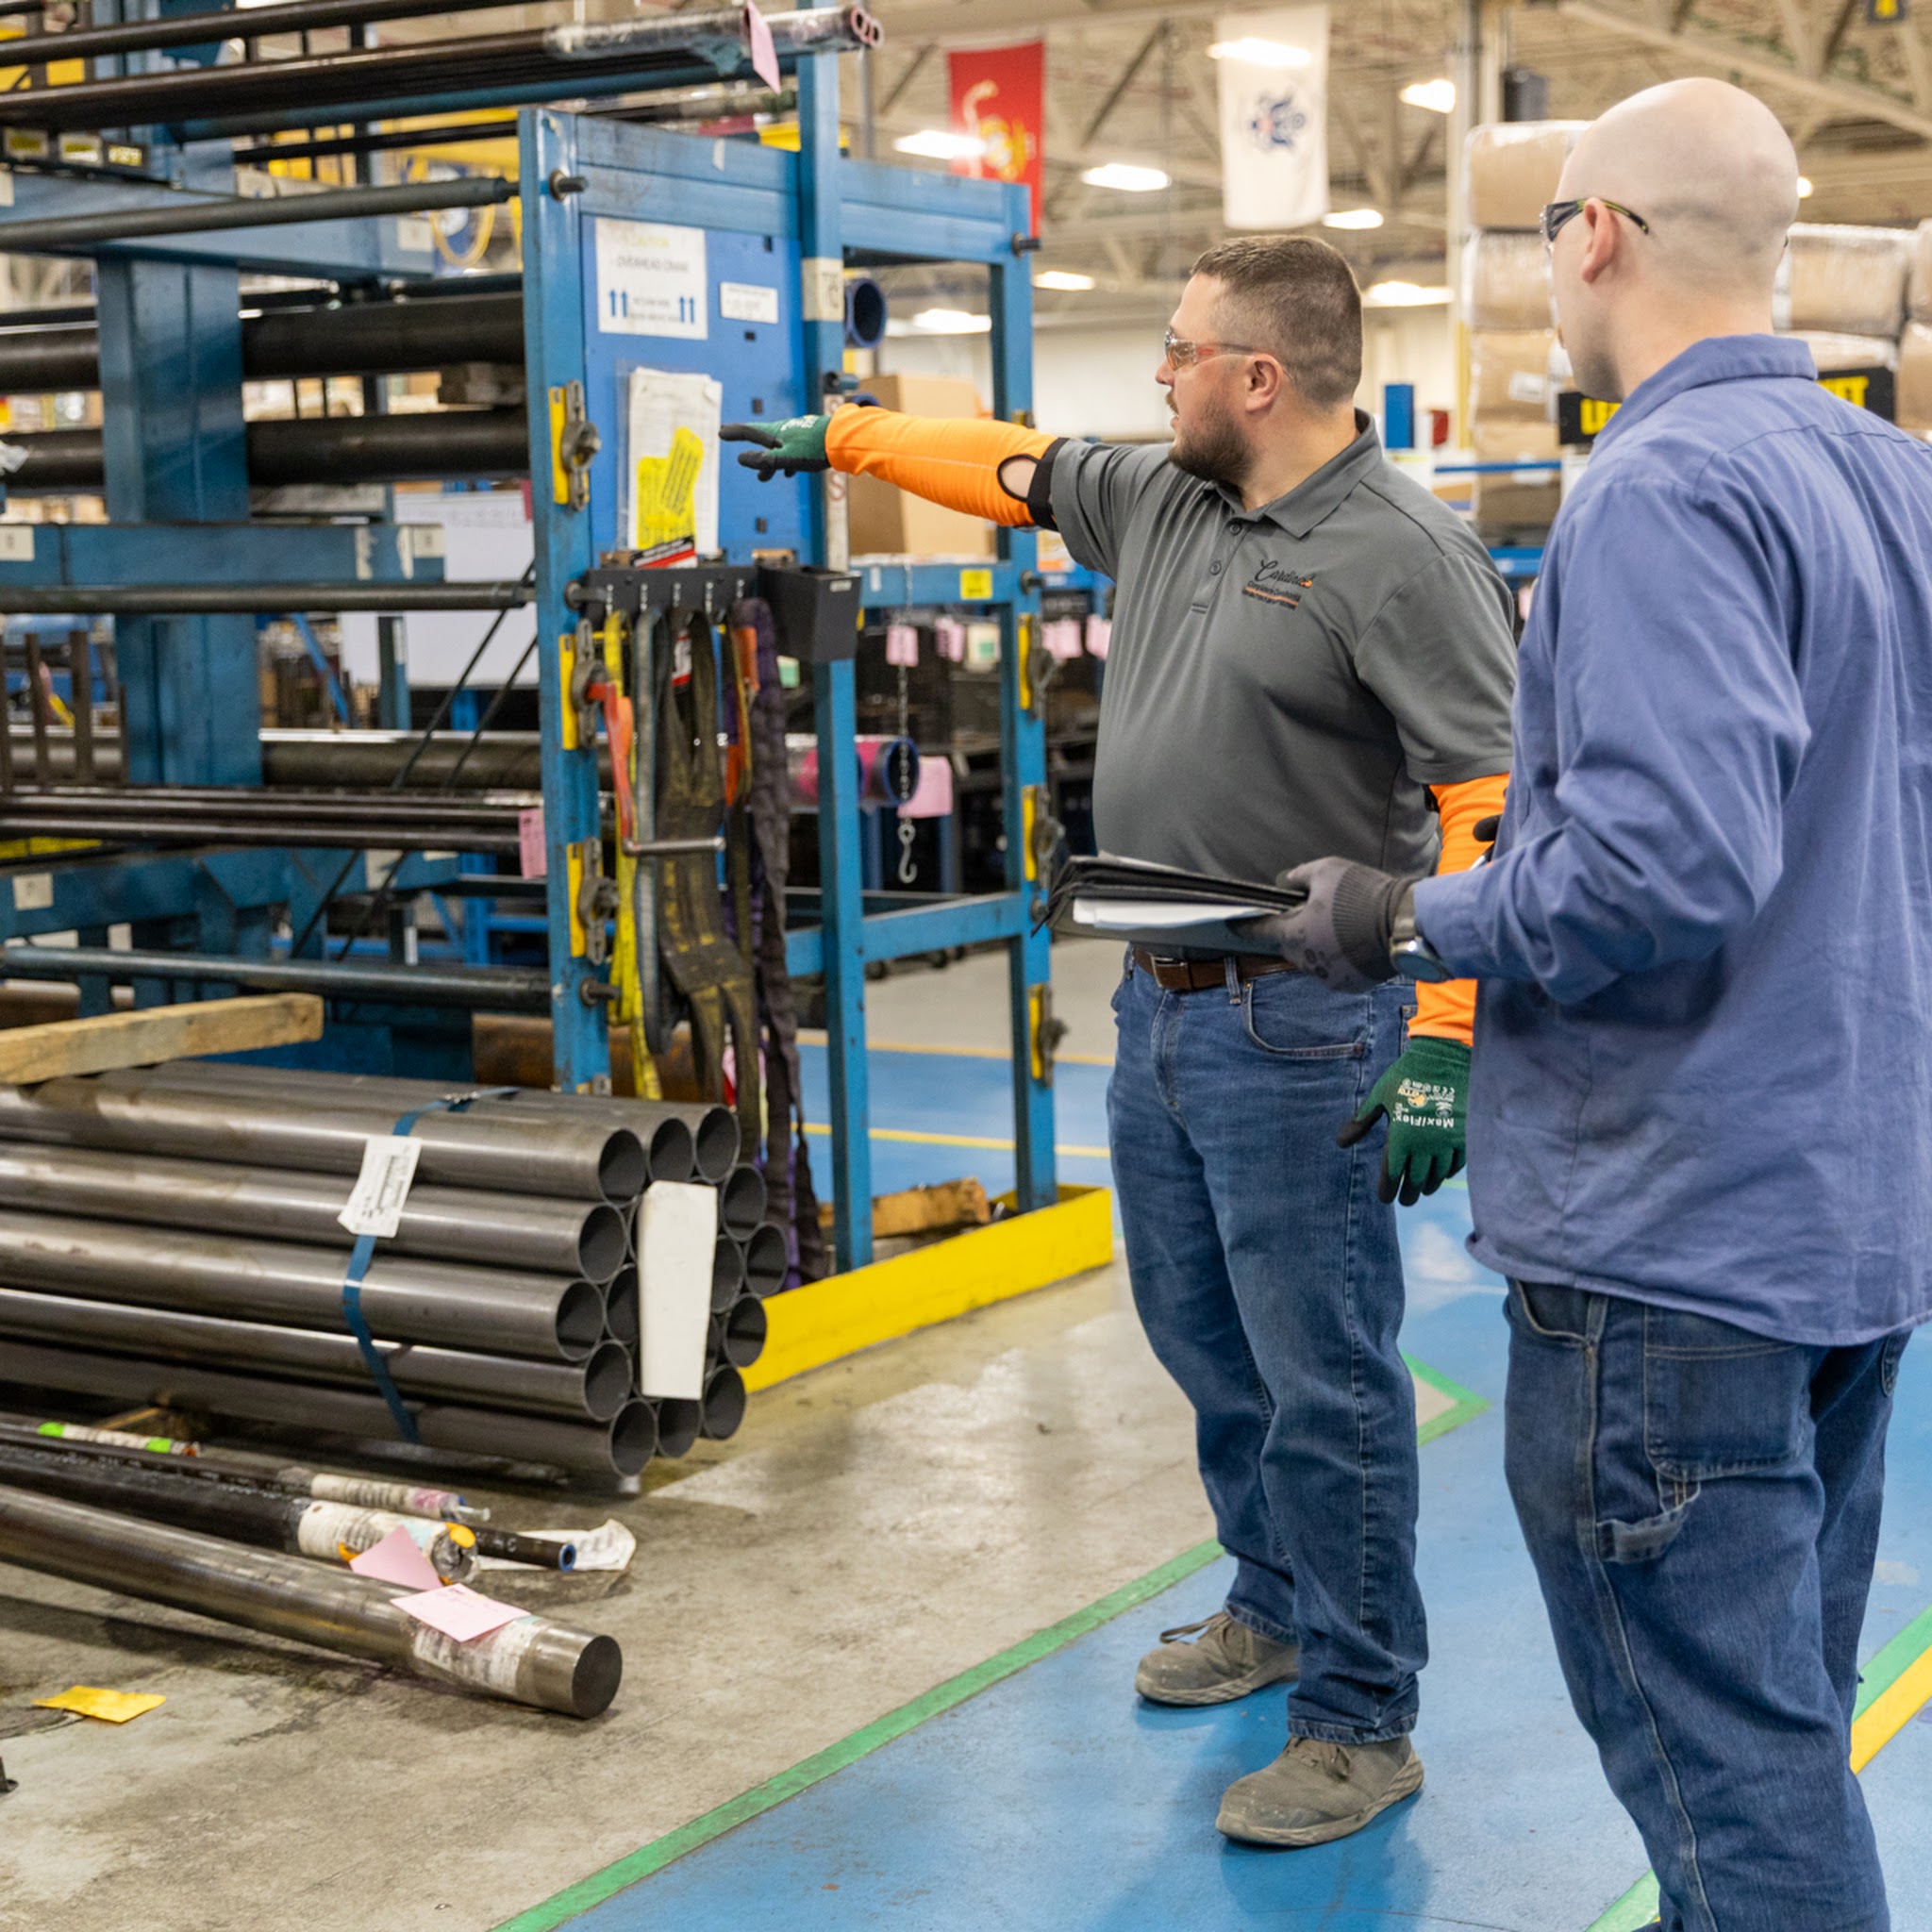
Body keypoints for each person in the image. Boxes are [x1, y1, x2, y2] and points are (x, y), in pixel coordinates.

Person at [725, 235, 1517, 1848]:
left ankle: (1361, 1719)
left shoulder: (1406, 557)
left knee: (1328, 1383)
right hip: (1156, 1010)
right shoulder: (1165, 495)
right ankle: (1272, 1602)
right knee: (1205, 1344)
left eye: (1178, 350)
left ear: (1258, 377)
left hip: (1305, 1025)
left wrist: (1446, 1033)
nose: (1157, 375)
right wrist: (846, 436)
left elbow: (1490, 806)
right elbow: (1008, 461)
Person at [1255, 81, 1932, 1927]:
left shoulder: (1658, 485)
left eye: (1546, 230)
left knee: (1736, 1789)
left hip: (1671, 1246)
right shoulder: (1890, 477)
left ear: (1597, 236)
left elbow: (1659, 870)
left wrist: (1400, 917)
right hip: (1846, 1226)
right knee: (1779, 1732)